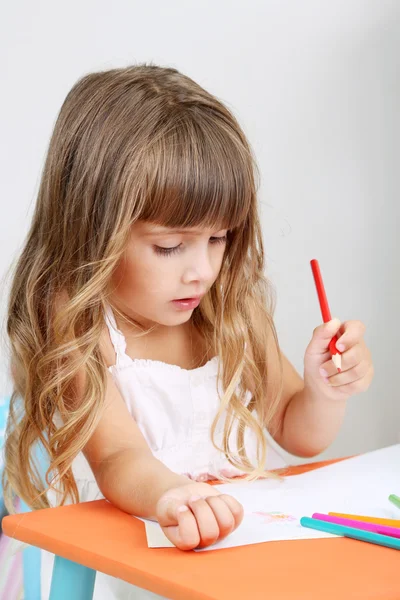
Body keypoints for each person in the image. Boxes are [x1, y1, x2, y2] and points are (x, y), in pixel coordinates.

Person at [2, 63, 374, 599]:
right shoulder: (77, 323)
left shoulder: (229, 306)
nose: (200, 269)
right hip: (114, 569)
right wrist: (175, 497)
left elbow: (300, 433)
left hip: (220, 559)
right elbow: (117, 458)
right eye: (170, 246)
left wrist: (324, 389)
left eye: (218, 238)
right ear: (93, 230)